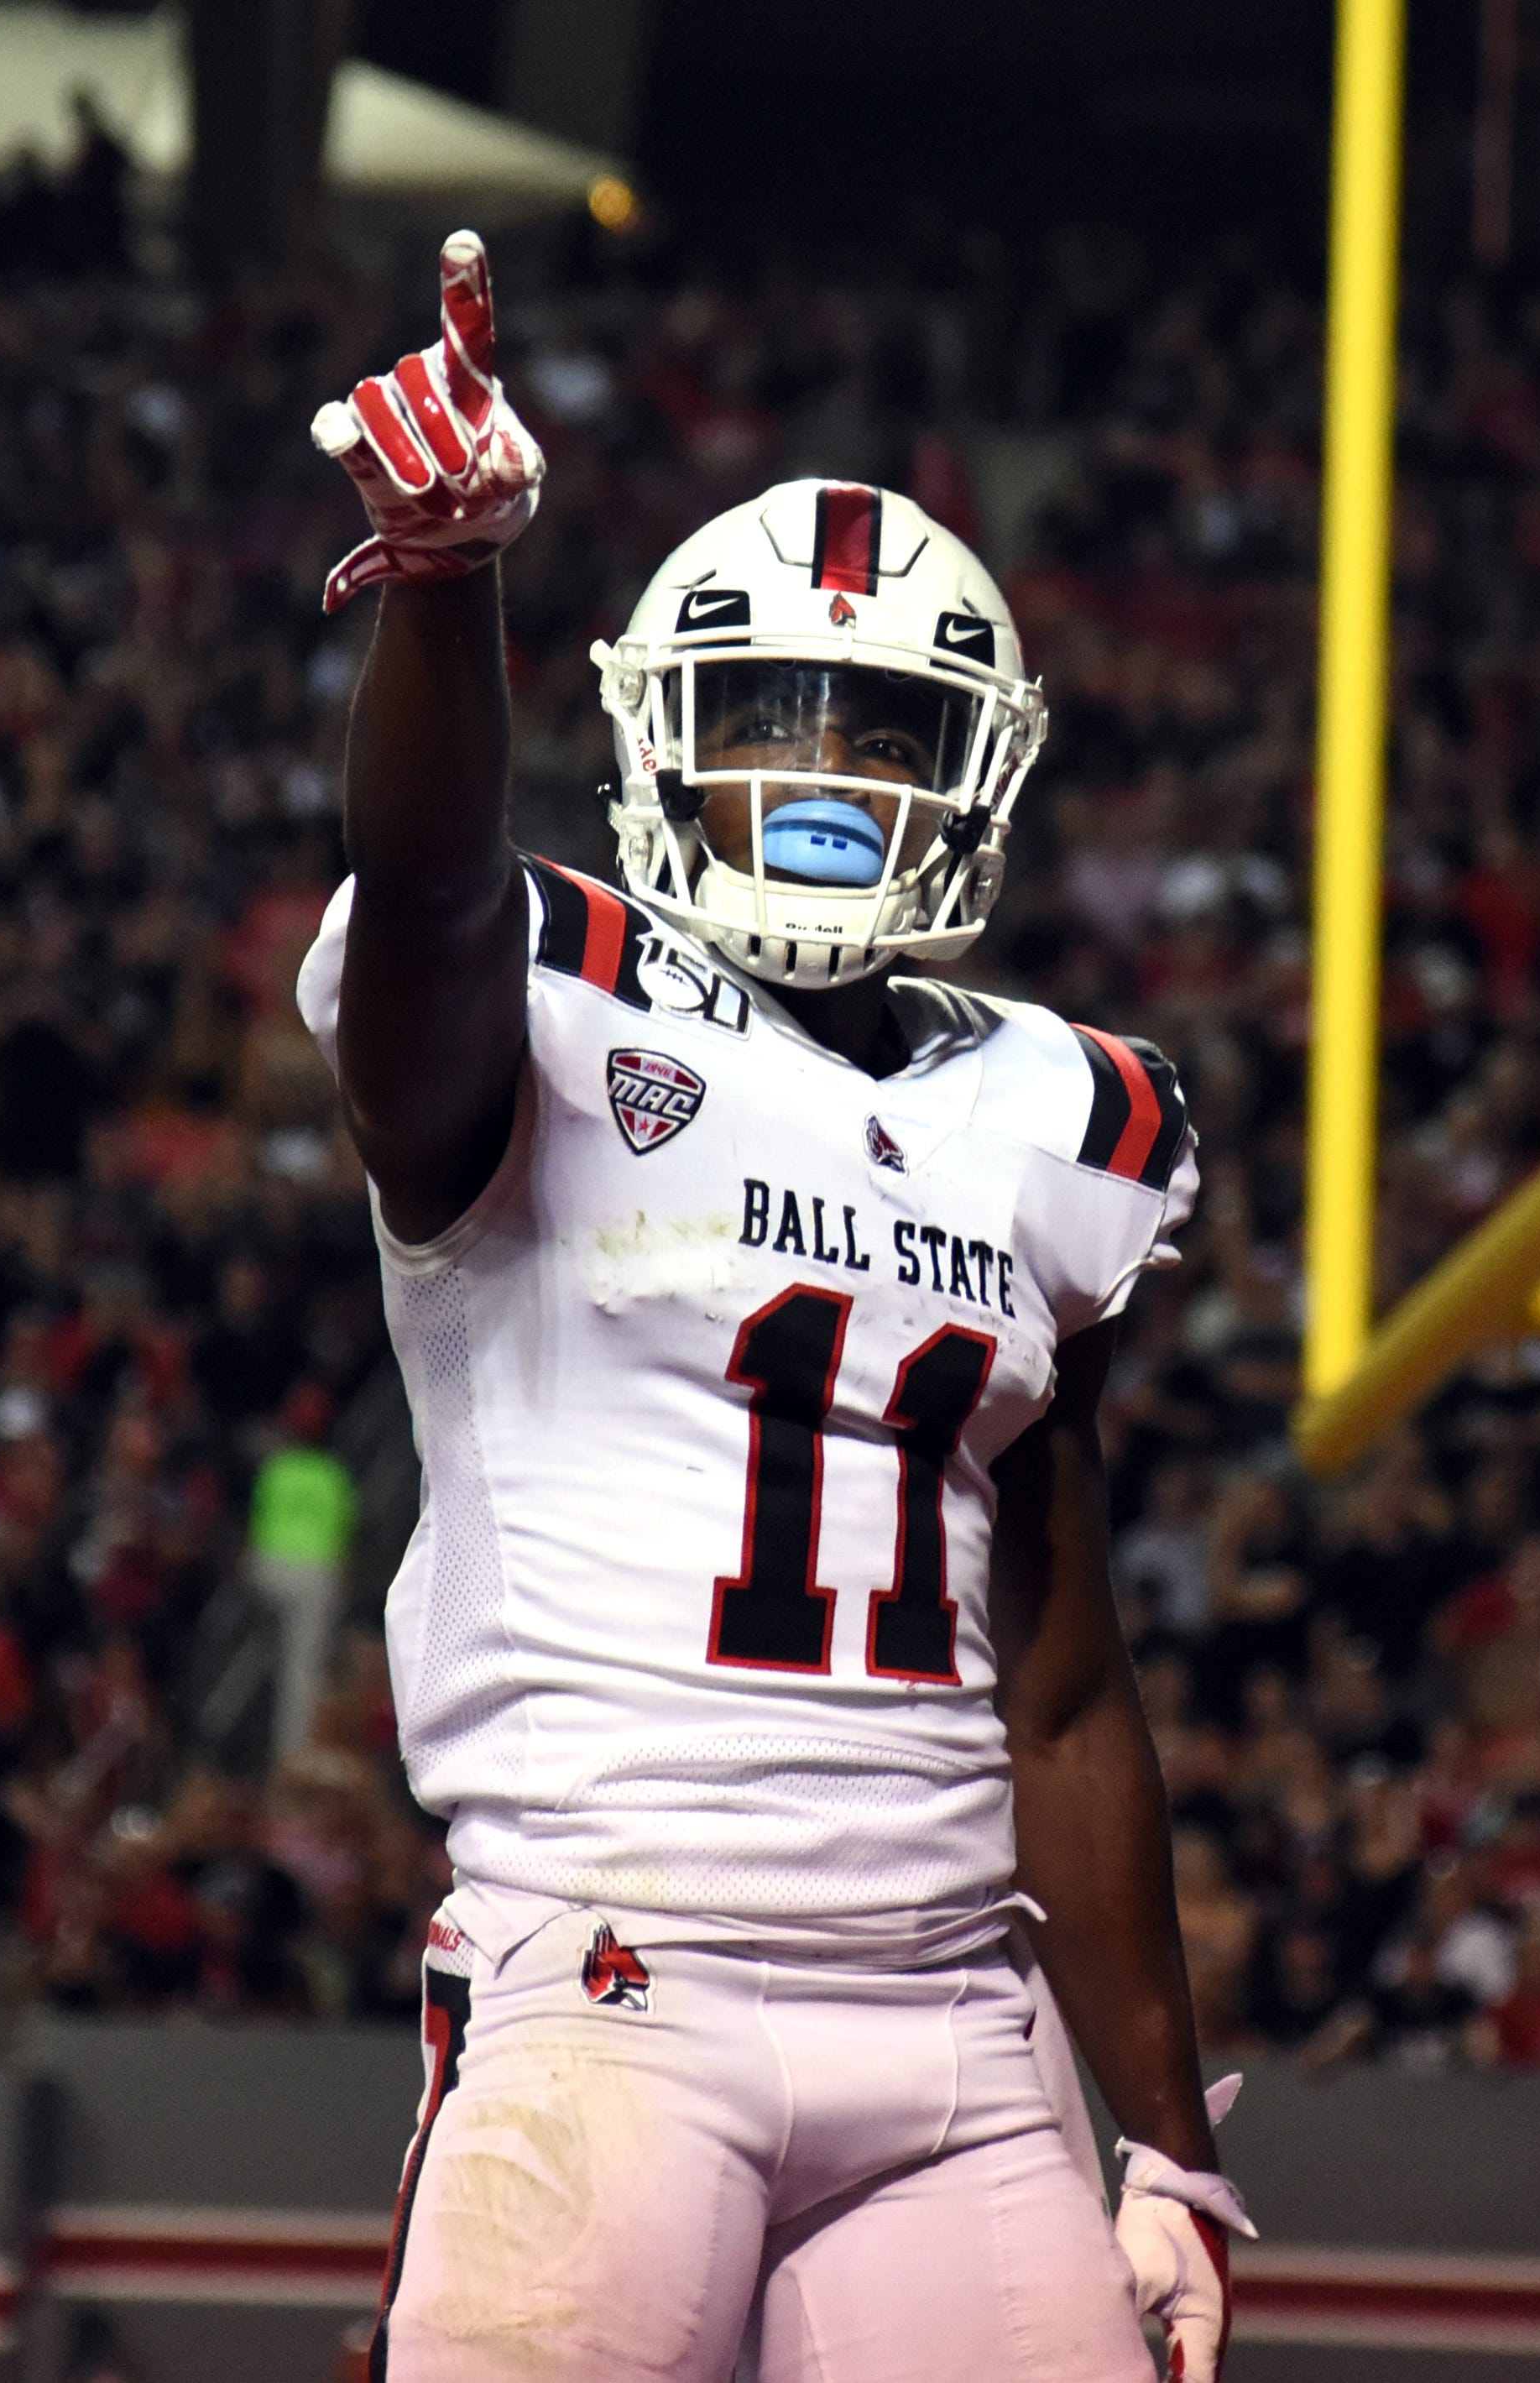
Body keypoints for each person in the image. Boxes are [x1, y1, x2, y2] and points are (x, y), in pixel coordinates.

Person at [300, 231, 1251, 2383]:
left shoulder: (1064, 1114)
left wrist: (1170, 2143)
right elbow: (433, 891)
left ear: (978, 766)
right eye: (768, 716)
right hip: (619, 1977)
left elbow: (1066, 1682)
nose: (822, 767)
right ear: (659, 741)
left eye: (879, 724)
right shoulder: (547, 986)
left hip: (955, 2024)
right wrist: (448, 585)